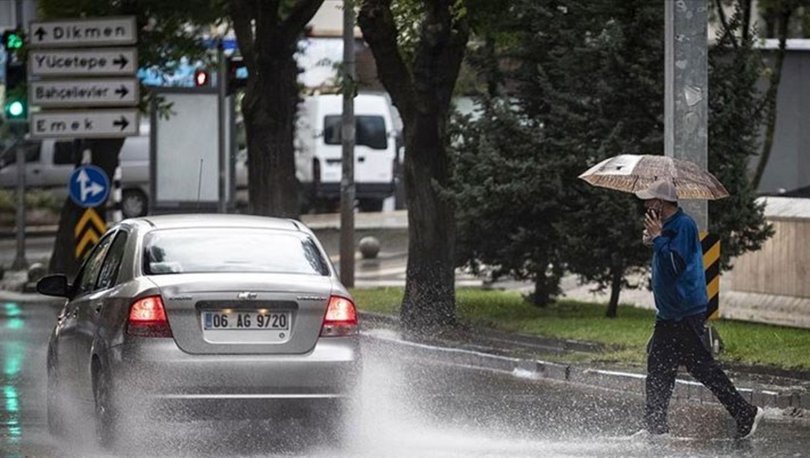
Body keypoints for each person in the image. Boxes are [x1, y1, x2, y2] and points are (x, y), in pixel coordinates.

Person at [635, 179, 764, 439]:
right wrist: (652, 239)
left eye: (650, 200)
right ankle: (655, 427)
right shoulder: (666, 226)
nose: (646, 204)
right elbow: (664, 255)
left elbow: (674, 265)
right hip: (669, 313)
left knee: (701, 367)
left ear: (661, 202)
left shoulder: (683, 225)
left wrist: (659, 239)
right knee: (659, 366)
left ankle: (745, 412)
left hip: (684, 311)